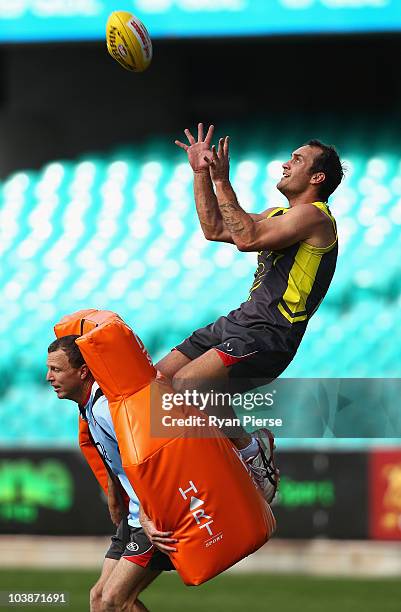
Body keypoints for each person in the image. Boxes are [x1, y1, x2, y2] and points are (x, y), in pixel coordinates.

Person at [156, 123, 344, 504]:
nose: (285, 165)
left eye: (297, 160)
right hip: (240, 321)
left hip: (271, 333)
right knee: (158, 383)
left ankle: (251, 452)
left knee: (190, 384)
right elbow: (213, 229)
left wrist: (222, 179)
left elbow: (247, 239)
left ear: (317, 177)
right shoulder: (279, 214)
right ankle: (208, 466)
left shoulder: (316, 217)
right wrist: (200, 175)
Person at [46, 335, 175, 612]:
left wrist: (146, 514)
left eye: (56, 370)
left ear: (82, 372)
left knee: (114, 600)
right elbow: (115, 457)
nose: (49, 377)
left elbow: (147, 459)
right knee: (99, 598)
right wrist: (116, 498)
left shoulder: (106, 408)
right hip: (135, 515)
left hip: (153, 515)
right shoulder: (89, 407)